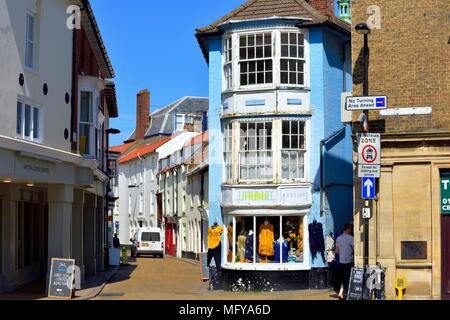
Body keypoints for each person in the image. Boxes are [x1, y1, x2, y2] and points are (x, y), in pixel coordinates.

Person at [335, 223, 354, 299]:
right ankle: (345, 292)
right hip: (349, 260)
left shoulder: (338, 238)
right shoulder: (351, 238)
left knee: (343, 277)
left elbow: (337, 251)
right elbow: (355, 249)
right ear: (348, 229)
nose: (351, 230)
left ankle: (341, 292)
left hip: (341, 261)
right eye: (351, 229)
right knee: (348, 277)